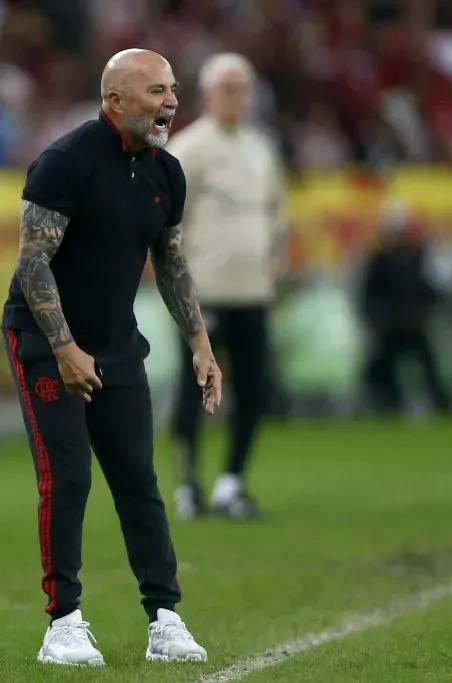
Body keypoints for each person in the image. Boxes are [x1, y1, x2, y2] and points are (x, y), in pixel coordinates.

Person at [1, 49, 221, 667]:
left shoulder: (166, 173)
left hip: (118, 346)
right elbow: (32, 262)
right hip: (45, 344)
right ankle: (63, 623)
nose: (170, 102)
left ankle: (166, 617)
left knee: (138, 481)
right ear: (115, 99)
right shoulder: (63, 163)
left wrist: (201, 344)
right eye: (156, 91)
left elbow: (172, 262)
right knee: (67, 479)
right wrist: (65, 348)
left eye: (173, 90)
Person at [164, 53, 287, 520]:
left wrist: (274, 259)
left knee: (253, 389)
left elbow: (278, 213)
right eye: (227, 88)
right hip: (204, 292)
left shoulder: (261, 149)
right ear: (208, 94)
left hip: (252, 291)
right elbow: (167, 219)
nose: (236, 98)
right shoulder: (189, 149)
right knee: (195, 389)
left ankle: (231, 482)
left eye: (243, 88)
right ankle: (189, 484)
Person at [360, 200, 452, 415]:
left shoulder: (418, 257)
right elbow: (370, 294)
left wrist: (425, 312)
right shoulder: (379, 260)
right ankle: (387, 404)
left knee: (429, 365)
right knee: (381, 368)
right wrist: (375, 320)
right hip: (389, 326)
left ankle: (442, 403)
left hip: (414, 323)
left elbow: (431, 289)